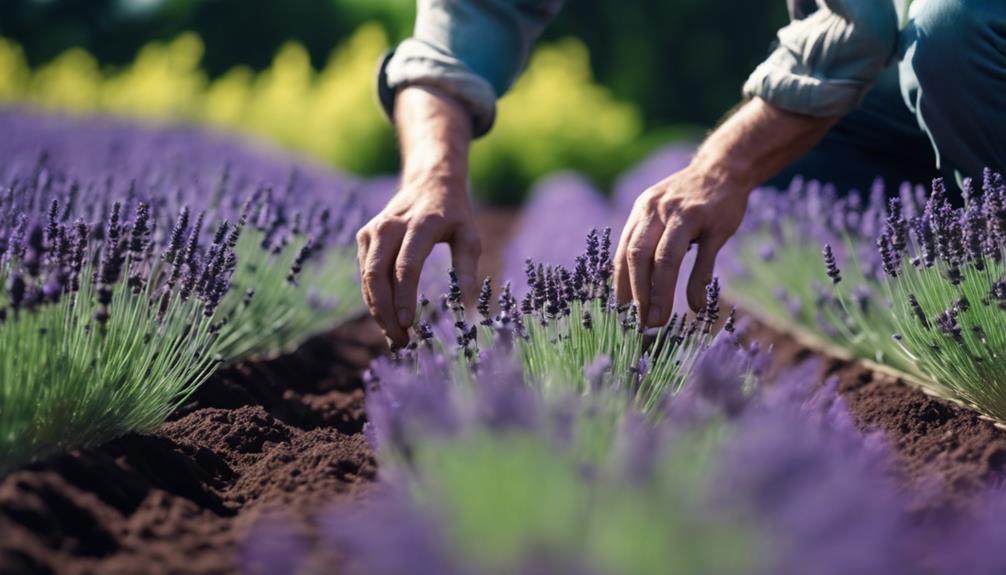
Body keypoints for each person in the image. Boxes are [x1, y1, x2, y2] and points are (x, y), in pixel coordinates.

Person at [356, 0, 1006, 347]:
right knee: (791, 176)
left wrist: (720, 168)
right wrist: (432, 174)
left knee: (955, 33)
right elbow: (462, 25)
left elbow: (854, 24)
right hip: (907, 58)